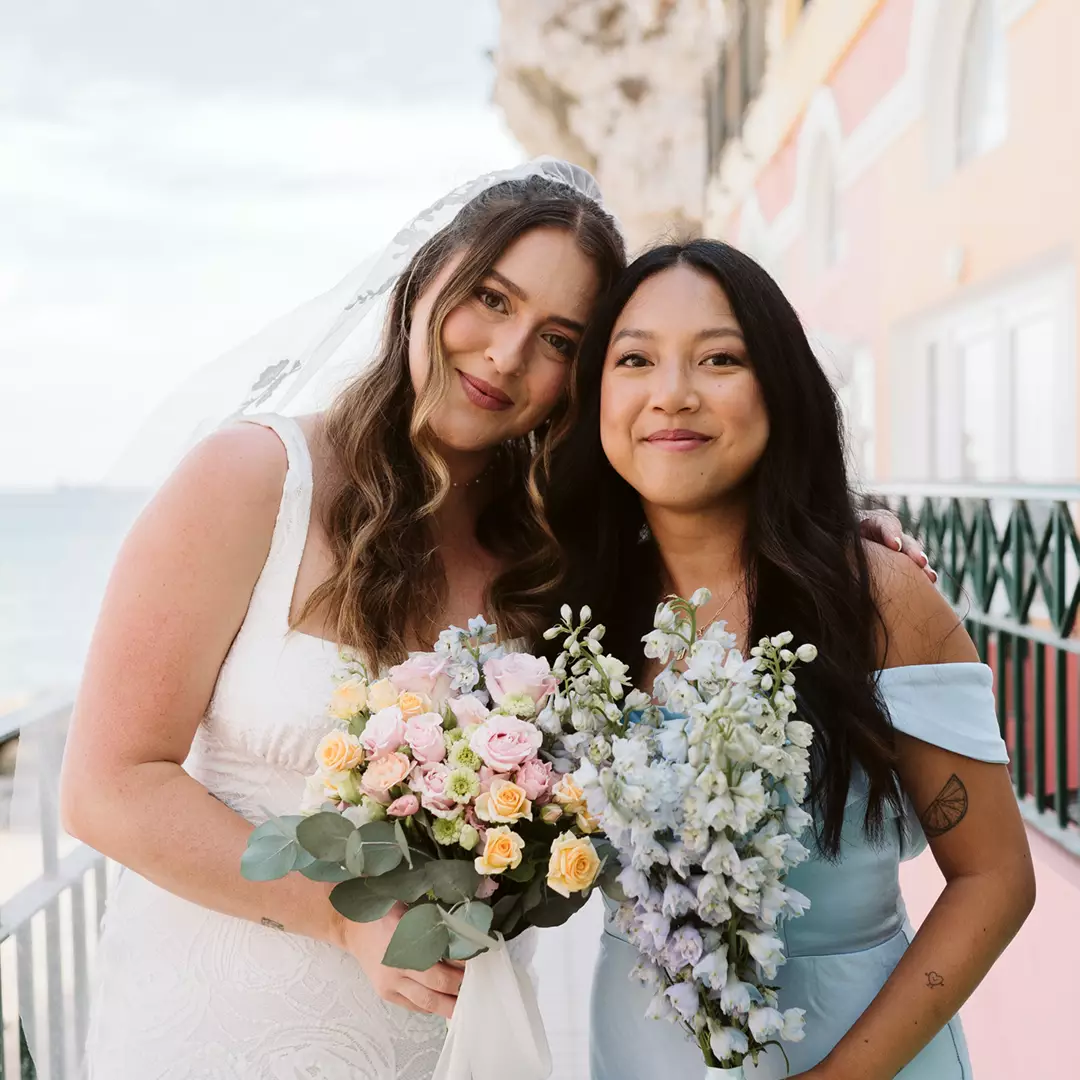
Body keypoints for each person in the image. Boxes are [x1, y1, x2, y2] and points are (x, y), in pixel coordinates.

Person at [58, 159, 625, 1080]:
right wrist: (340, 910)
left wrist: (854, 531)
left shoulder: (560, 558)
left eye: (560, 340)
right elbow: (109, 786)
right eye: (490, 297)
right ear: (423, 278)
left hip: (452, 1049)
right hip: (219, 1040)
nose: (508, 354)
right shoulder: (252, 480)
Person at [543, 240, 1035, 1079]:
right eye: (635, 360)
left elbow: (994, 875)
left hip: (862, 1044)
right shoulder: (566, 608)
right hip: (638, 1043)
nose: (673, 394)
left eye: (720, 358)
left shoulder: (878, 597)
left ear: (781, 388)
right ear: (594, 397)